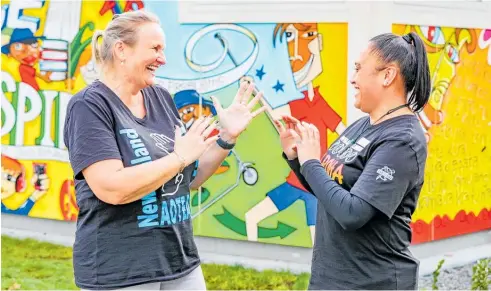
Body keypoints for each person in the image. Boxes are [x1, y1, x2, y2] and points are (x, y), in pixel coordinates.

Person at [63, 10, 265, 290]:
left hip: (179, 262)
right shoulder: (89, 106)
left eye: (163, 49)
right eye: (155, 48)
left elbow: (187, 178)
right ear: (122, 50)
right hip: (121, 271)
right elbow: (112, 188)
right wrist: (179, 157)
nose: (163, 58)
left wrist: (226, 137)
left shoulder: (160, 97)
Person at [276, 31, 431, 290]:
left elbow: (352, 213)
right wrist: (297, 157)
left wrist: (311, 162)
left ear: (387, 75)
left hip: (372, 282)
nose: (352, 78)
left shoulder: (402, 141)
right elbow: (329, 190)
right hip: (332, 278)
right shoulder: (362, 125)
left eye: (359, 69)